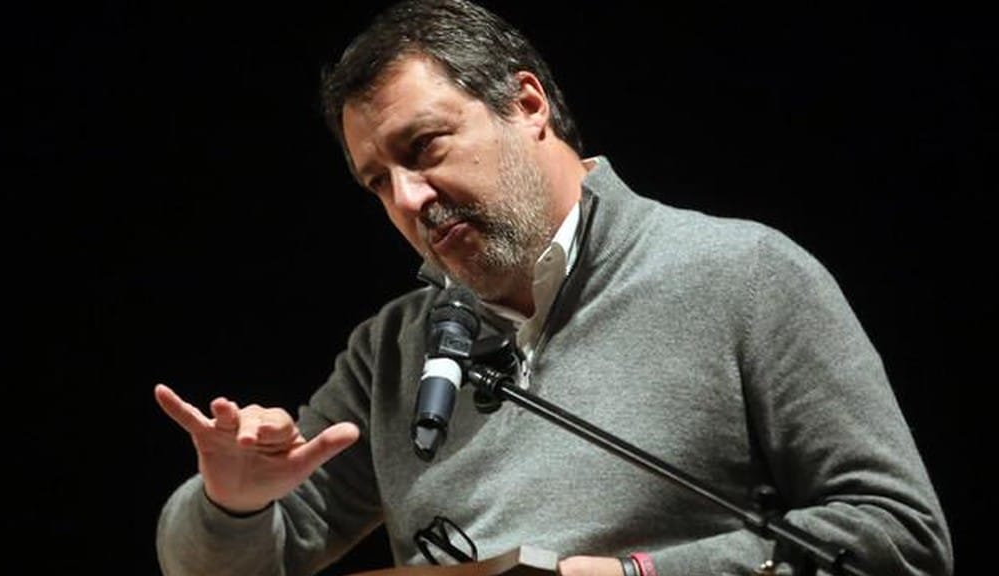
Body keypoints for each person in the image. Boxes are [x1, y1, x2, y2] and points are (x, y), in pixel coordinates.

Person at [153, 1, 953, 575]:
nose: (408, 199)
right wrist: (233, 502)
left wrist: (642, 575)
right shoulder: (390, 352)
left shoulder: (742, 274)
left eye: (424, 147)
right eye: (377, 182)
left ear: (526, 104)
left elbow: (901, 537)